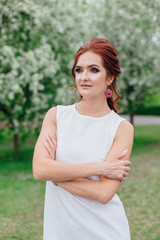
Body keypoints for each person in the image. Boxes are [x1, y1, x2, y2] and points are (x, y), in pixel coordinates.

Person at [32, 37, 134, 240]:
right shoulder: (56, 116)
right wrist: (100, 168)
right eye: (79, 70)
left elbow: (104, 193)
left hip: (105, 232)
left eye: (94, 70)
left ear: (110, 77)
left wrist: (56, 176)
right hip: (60, 232)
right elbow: (39, 169)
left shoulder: (121, 128)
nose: (83, 77)